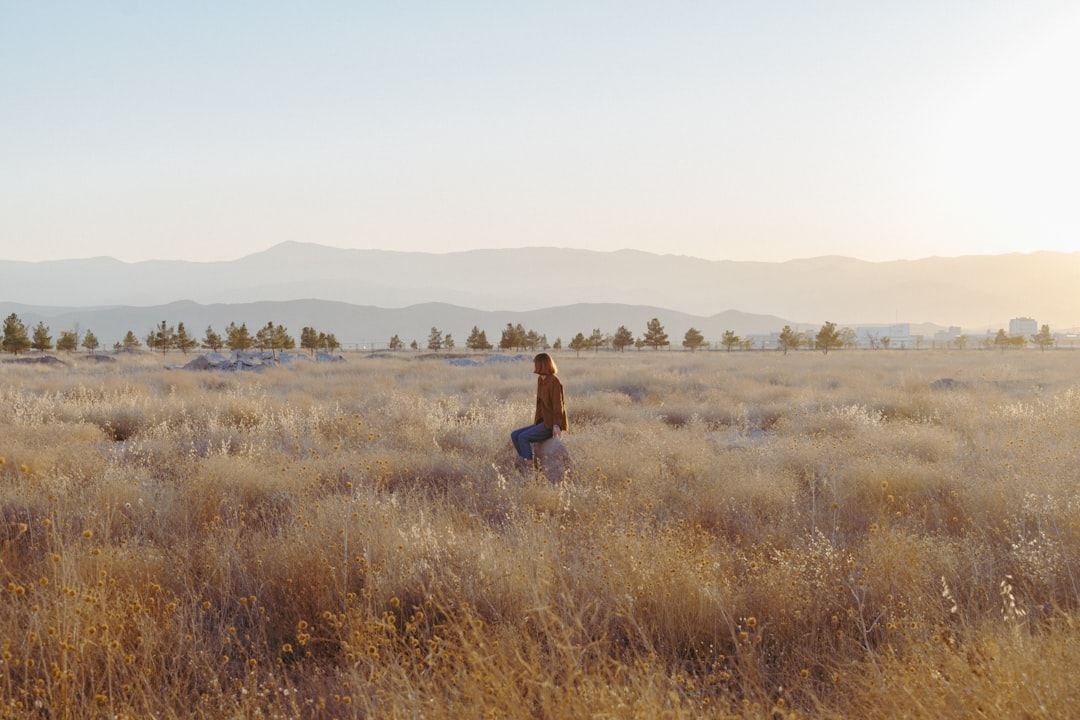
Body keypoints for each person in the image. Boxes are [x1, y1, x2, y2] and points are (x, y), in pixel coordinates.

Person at [510, 352, 568, 472]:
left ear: (541, 364)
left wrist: (556, 425)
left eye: (535, 363)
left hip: (550, 424)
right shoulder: (541, 380)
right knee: (515, 435)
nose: (534, 365)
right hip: (542, 422)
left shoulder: (554, 381)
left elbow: (559, 404)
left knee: (523, 437)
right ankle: (524, 461)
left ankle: (529, 467)